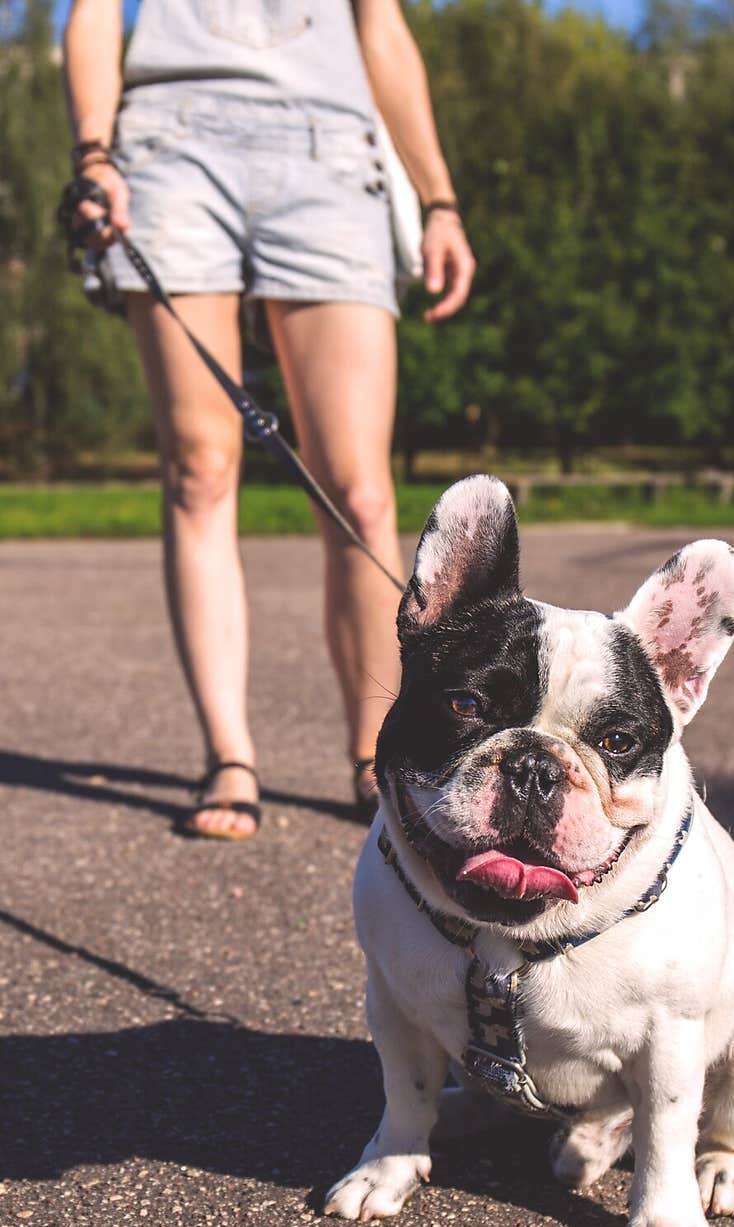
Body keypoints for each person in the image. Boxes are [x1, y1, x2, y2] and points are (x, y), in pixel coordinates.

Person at [62, 0, 475, 838]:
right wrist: (93, 154)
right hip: (171, 143)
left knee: (358, 493)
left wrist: (439, 199)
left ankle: (373, 752)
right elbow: (95, 11)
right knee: (200, 469)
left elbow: (383, 27)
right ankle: (229, 755)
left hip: (330, 150)